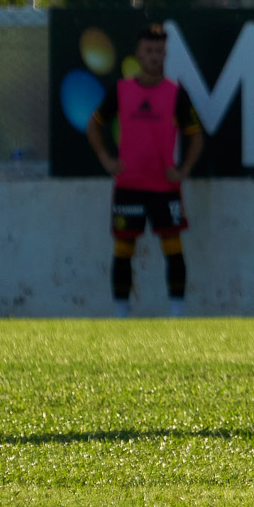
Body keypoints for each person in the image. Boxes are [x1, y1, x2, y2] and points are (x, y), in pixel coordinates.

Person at [85, 24, 205, 317]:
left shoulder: (176, 94)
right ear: (139, 53)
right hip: (129, 184)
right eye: (149, 50)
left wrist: (184, 169)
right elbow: (94, 125)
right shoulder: (121, 90)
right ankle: (121, 315)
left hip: (164, 187)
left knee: (173, 248)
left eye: (159, 51)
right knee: (123, 250)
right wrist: (106, 159)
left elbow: (196, 136)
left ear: (165, 54)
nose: (154, 56)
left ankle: (177, 316)